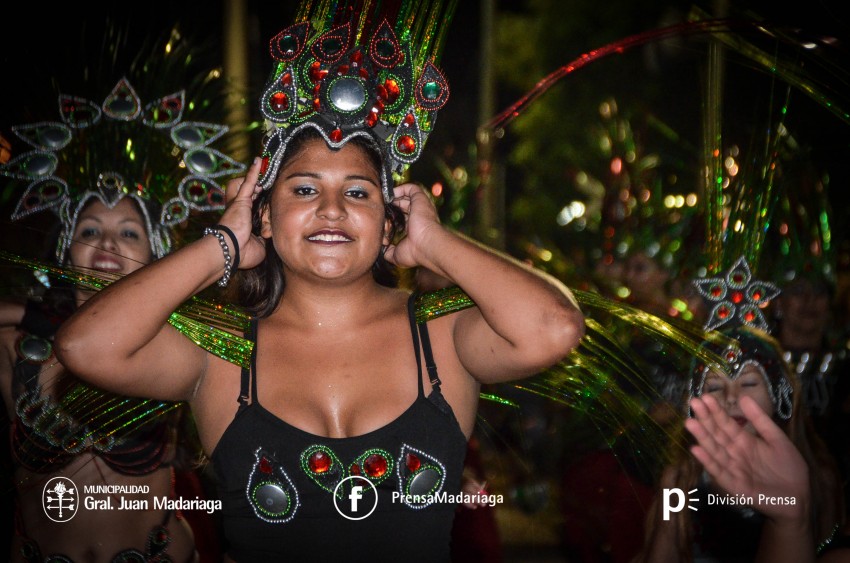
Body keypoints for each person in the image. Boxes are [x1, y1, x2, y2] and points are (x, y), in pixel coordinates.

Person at [54, 3, 585, 561]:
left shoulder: (442, 339)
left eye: (357, 193)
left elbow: (554, 326)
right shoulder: (222, 354)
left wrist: (435, 244)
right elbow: (83, 346)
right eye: (304, 190)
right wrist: (223, 247)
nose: (331, 209)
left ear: (388, 224)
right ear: (265, 215)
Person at [0, 56, 245, 561]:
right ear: (66, 247)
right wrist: (28, 312)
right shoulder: (13, 348)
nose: (107, 243)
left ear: (158, 258)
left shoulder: (188, 346)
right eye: (89, 230)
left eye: (128, 233)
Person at [633, 324, 843, 563]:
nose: (731, 398)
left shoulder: (819, 478)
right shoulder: (681, 482)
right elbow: (663, 555)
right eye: (714, 386)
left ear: (779, 394)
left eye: (749, 383)